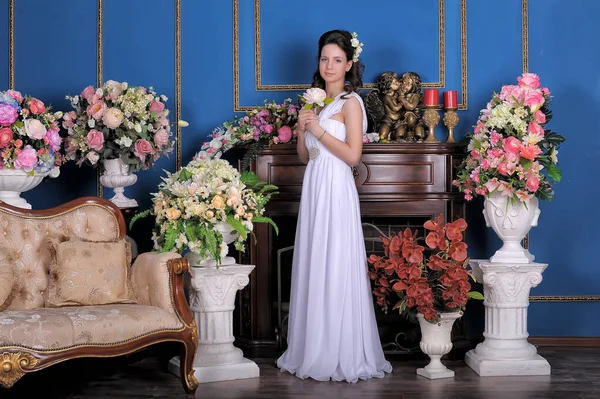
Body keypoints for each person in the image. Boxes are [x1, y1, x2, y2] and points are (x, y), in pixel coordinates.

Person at [276, 29, 392, 383]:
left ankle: (341, 351)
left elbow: (353, 156)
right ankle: (313, 347)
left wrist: (320, 131)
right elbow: (304, 155)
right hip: (315, 184)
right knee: (315, 259)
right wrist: (301, 129)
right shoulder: (314, 102)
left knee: (337, 260)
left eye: (337, 60)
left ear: (349, 64)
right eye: (324, 59)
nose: (329, 65)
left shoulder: (350, 103)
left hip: (337, 187)